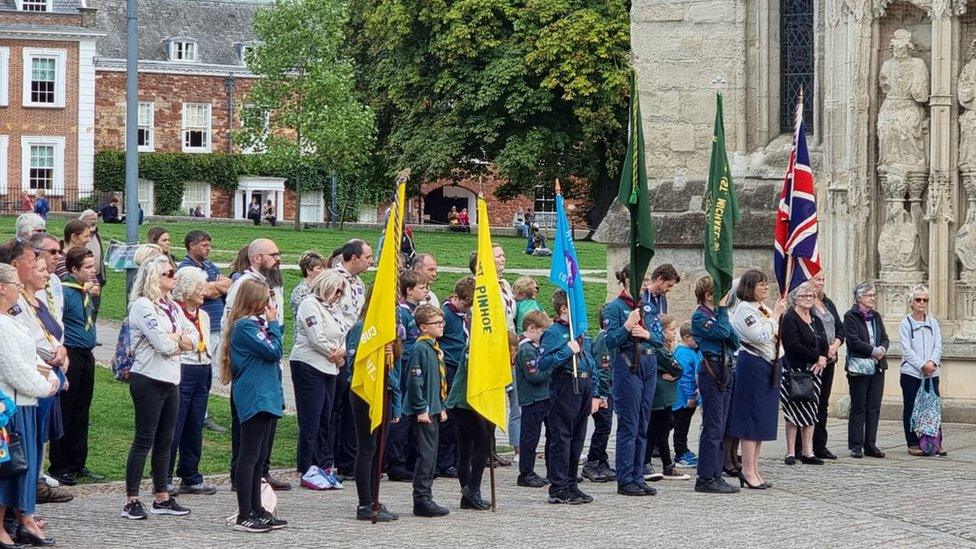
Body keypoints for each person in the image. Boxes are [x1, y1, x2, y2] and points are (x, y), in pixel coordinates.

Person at [121, 255, 194, 520]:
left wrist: (177, 340)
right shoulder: (142, 305)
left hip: (171, 376)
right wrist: (177, 342)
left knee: (166, 440)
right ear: (154, 277)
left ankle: (161, 495)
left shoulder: (173, 306)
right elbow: (161, 344)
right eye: (168, 273)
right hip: (148, 376)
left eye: (173, 273)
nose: (173, 277)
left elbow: (195, 338)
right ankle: (131, 498)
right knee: (144, 439)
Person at [219, 279, 287, 533]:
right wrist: (273, 323)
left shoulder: (255, 324)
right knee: (248, 456)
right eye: (266, 298)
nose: (271, 304)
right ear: (253, 301)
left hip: (267, 394)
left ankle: (258, 509)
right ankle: (245, 513)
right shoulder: (245, 326)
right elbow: (274, 351)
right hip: (254, 395)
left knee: (259, 458)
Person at [0, 262, 61, 547]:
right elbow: (13, 369)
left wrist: (50, 379)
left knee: (23, 467)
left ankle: (22, 521)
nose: (18, 288)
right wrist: (46, 386)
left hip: (25, 402)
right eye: (14, 284)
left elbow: (31, 357)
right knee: (7, 469)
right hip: (8, 406)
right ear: (2, 288)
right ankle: (2, 528)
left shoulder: (11, 320)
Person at [223, 239, 289, 491]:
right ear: (257, 257)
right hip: (252, 359)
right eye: (273, 254)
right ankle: (241, 477)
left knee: (267, 429)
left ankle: (261, 472)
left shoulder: (271, 284)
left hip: (268, 356)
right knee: (247, 431)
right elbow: (232, 321)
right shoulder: (244, 285)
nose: (278, 258)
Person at [16, 240, 74, 504]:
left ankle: (30, 498)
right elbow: (31, 341)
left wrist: (62, 352)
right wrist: (54, 356)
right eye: (39, 268)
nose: (46, 273)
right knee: (30, 441)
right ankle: (25, 501)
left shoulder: (39, 302)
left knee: (40, 439)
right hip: (38, 377)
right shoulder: (20, 305)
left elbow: (52, 333)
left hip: (52, 374)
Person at [602, 265, 663, 497]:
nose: (644, 283)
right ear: (627, 280)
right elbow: (610, 341)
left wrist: (647, 334)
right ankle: (625, 478)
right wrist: (627, 326)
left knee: (643, 423)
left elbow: (658, 337)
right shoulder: (615, 308)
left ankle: (638, 475)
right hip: (628, 364)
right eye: (640, 278)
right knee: (629, 423)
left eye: (646, 278)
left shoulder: (647, 306)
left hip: (648, 363)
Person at [538, 290, 600, 504]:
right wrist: (566, 351)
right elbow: (544, 364)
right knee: (562, 437)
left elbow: (592, 362)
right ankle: (559, 486)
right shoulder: (555, 332)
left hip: (584, 384)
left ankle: (572, 482)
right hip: (566, 383)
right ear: (564, 308)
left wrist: (597, 392)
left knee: (578, 436)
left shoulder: (580, 331)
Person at [347, 288, 403, 521]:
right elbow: (353, 362)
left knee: (379, 449)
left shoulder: (391, 329)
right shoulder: (361, 328)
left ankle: (374, 497)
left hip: (386, 392)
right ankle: (364, 503)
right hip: (365, 392)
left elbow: (396, 369)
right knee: (367, 448)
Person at [48, 247, 102, 487]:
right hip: (71, 354)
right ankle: (60, 465)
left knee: (82, 409)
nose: (93, 271)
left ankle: (78, 461)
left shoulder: (85, 291)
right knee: (67, 409)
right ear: (73, 270)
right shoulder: (66, 292)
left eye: (93, 266)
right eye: (88, 267)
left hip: (87, 354)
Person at [729, 269, 787, 490]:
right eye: (761, 284)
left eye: (766, 284)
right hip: (753, 364)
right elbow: (760, 335)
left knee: (762, 419)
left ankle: (754, 467)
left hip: (769, 365)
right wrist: (776, 317)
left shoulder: (762, 308)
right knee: (751, 419)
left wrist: (774, 318)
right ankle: (747, 470)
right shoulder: (745, 309)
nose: (765, 288)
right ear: (750, 287)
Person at [290, 270, 346, 490]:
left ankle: (323, 465)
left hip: (330, 366)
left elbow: (344, 332)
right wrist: (334, 353)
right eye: (336, 290)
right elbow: (317, 338)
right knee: (311, 419)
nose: (339, 295)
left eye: (341, 291)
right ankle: (307, 467)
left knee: (326, 417)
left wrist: (342, 352)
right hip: (309, 363)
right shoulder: (309, 305)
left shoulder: (334, 308)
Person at [166, 267, 218, 496]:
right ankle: (165, 476)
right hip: (183, 368)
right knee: (175, 424)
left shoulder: (203, 314)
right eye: (198, 288)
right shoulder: (174, 311)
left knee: (195, 424)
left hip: (202, 368)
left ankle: (190, 474)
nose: (203, 292)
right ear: (185, 290)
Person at [179, 230, 232, 434]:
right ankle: (201, 416)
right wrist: (216, 286)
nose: (208, 248)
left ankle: (202, 412)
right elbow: (209, 291)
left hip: (216, 325)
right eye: (204, 245)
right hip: (197, 327)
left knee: (209, 373)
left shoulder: (209, 266)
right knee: (199, 371)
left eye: (209, 244)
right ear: (192, 245)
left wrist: (217, 285)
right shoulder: (186, 267)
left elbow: (229, 285)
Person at [331, 240, 372, 480]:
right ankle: (341, 460)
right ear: (353, 257)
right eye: (367, 257)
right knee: (341, 408)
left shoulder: (358, 282)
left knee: (351, 410)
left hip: (356, 348)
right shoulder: (336, 280)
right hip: (340, 350)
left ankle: (349, 458)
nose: (370, 261)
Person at [404, 304, 450, 517]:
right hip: (423, 410)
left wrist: (440, 406)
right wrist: (421, 408)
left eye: (442, 322)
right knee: (427, 454)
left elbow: (436, 380)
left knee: (431, 454)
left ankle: (426, 495)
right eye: (436, 323)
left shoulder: (433, 347)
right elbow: (415, 381)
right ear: (423, 327)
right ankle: (421, 499)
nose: (441, 326)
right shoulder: (420, 349)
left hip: (433, 407)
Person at [444, 334, 496, 512]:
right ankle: (472, 489)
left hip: (468, 404)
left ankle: (468, 496)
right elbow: (474, 372)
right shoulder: (473, 348)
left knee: (465, 449)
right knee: (483, 444)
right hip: (464, 403)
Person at [780, 282, 829, 466]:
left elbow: (824, 341)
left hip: (814, 372)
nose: (808, 299)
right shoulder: (790, 318)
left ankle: (808, 451)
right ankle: (791, 451)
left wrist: (823, 357)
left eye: (811, 296)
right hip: (795, 371)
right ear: (795, 299)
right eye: (804, 296)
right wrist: (817, 356)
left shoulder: (815, 318)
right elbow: (793, 344)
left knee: (811, 411)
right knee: (793, 412)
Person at [387, 270, 428, 481]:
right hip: (403, 367)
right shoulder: (402, 313)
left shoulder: (414, 311)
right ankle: (396, 463)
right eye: (421, 288)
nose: (426, 291)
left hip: (413, 367)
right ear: (409, 290)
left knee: (410, 416)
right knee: (400, 416)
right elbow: (402, 343)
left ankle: (409, 459)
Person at [800, 272, 844, 460]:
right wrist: (822, 353)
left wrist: (835, 345)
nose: (821, 283)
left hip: (830, 359)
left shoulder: (828, 303)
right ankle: (802, 446)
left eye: (823, 280)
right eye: (817, 279)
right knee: (808, 402)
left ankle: (820, 444)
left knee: (823, 403)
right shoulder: (806, 305)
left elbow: (840, 328)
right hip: (813, 361)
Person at [844, 282, 889, 459]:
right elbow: (853, 341)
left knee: (873, 407)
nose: (873, 298)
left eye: (873, 295)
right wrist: (873, 350)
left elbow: (884, 338)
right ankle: (856, 445)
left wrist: (883, 349)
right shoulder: (850, 316)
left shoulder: (876, 316)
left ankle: (870, 444)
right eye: (869, 295)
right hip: (860, 367)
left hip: (877, 366)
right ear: (859, 298)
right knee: (859, 406)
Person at [899, 284, 944, 456]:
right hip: (912, 372)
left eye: (925, 300)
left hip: (932, 372)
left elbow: (938, 345)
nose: (922, 303)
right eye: (918, 299)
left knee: (933, 407)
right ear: (911, 302)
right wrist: (921, 365)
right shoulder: (906, 323)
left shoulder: (933, 322)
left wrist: (932, 362)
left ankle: (934, 441)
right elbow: (906, 349)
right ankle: (912, 442)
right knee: (911, 407)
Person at [437, 277, 474, 478]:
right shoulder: (446, 315)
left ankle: (458, 458)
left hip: (463, 369)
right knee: (448, 417)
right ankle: (444, 461)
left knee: (460, 418)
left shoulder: (465, 315)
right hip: (449, 368)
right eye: (466, 303)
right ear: (457, 297)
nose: (468, 308)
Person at [646, 315, 689, 480]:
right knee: (658, 430)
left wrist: (676, 374)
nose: (674, 333)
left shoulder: (666, 348)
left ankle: (664, 464)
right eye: (671, 330)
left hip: (665, 396)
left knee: (661, 429)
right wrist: (677, 373)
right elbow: (677, 367)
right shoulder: (660, 350)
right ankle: (661, 464)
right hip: (660, 396)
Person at [515, 310, 553, 488]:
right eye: (543, 331)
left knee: (548, 434)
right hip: (532, 399)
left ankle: (551, 468)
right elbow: (535, 376)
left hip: (543, 398)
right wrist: (552, 367)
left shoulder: (535, 348)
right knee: (530, 437)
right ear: (532, 328)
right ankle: (526, 472)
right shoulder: (527, 350)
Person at [581, 306, 615, 483]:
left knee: (606, 427)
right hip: (603, 391)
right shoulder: (604, 339)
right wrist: (602, 395)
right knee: (603, 427)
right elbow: (603, 369)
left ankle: (601, 460)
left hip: (609, 389)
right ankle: (592, 462)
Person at [672, 321, 702, 468]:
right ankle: (680, 453)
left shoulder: (689, 352)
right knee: (681, 426)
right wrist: (690, 396)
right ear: (688, 337)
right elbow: (684, 378)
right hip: (683, 399)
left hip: (687, 398)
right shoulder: (683, 353)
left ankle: (684, 449)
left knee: (685, 425)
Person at [289, 251, 328, 341]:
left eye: (324, 268)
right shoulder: (300, 292)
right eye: (319, 268)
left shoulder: (320, 288)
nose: (323, 271)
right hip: (306, 342)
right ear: (309, 271)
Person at [79, 209, 106, 322]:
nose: (94, 221)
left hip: (97, 274)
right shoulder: (80, 235)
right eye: (91, 219)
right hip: (85, 276)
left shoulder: (97, 234)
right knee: (85, 306)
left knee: (95, 305)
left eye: (95, 219)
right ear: (83, 220)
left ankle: (93, 333)